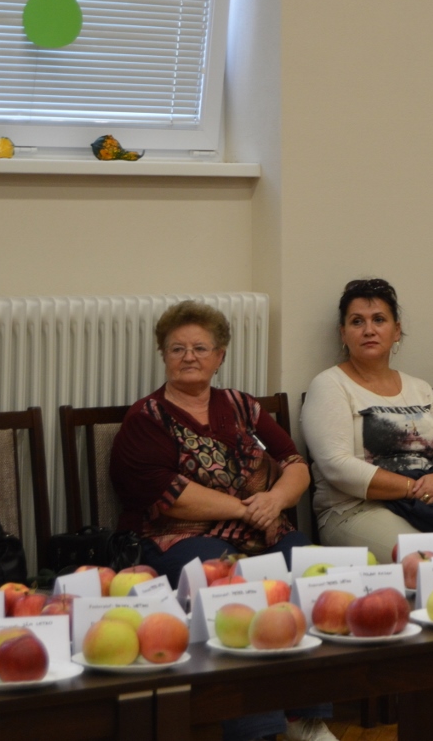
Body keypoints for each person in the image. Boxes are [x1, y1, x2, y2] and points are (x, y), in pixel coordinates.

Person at [110, 301, 336, 741]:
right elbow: (169, 497)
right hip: (176, 537)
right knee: (233, 584)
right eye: (177, 348)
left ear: (220, 356)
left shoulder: (241, 405)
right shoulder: (146, 418)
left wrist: (274, 500)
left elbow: (295, 464)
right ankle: (258, 729)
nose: (188, 357)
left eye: (200, 348)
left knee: (310, 567)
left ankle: (306, 717)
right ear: (163, 356)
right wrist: (247, 508)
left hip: (261, 527)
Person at [301, 278, 433, 721]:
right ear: (343, 333)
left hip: (427, 504)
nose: (368, 329)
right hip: (354, 511)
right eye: (357, 321)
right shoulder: (330, 386)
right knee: (425, 561)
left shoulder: (418, 388)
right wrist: (413, 486)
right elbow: (336, 467)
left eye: (379, 319)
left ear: (397, 330)